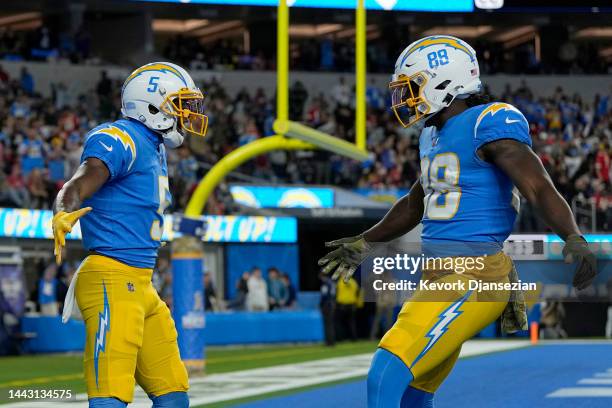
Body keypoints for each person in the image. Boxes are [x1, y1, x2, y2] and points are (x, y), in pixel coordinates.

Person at [318, 35, 597, 407]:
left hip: (474, 274)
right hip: (440, 274)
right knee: (412, 396)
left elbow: (538, 187)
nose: (405, 100)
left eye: (412, 88)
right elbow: (415, 203)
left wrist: (573, 237)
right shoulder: (433, 135)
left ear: (444, 82)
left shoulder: (488, 121)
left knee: (385, 372)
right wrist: (365, 240)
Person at [52, 62, 208, 408]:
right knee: (111, 394)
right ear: (151, 104)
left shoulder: (154, 147)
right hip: (111, 276)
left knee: (174, 393)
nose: (186, 114)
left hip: (142, 284)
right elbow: (80, 180)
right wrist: (63, 211)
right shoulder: (119, 137)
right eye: (179, 103)